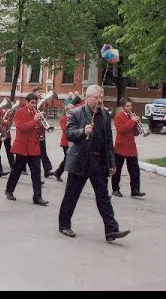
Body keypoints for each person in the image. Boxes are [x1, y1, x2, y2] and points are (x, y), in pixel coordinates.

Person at [58, 84, 131, 241]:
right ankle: (64, 225)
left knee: (103, 196)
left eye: (101, 98)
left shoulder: (104, 114)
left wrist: (112, 162)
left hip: (99, 161)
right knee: (72, 194)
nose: (100, 100)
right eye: (97, 97)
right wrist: (82, 132)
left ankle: (111, 230)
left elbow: (108, 141)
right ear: (88, 97)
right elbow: (69, 133)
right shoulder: (76, 113)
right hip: (81, 160)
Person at [5, 93, 49, 206]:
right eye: (32, 103)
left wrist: (43, 125)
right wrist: (34, 121)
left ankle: (37, 197)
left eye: (35, 103)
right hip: (23, 147)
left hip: (34, 147)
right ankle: (9, 191)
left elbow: (38, 130)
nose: (34, 105)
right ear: (26, 102)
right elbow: (21, 128)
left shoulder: (36, 113)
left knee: (36, 173)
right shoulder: (20, 112)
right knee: (16, 171)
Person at [111, 97, 146, 198]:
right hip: (120, 147)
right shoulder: (118, 117)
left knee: (135, 170)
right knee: (117, 170)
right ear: (122, 107)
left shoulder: (132, 116)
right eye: (127, 106)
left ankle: (135, 190)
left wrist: (137, 127)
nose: (130, 108)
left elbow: (134, 133)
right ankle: (115, 189)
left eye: (131, 106)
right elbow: (122, 130)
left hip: (131, 148)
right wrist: (132, 121)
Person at [53, 104, 74, 182]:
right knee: (67, 158)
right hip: (65, 142)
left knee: (68, 159)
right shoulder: (63, 119)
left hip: (72, 141)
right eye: (72, 109)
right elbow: (64, 129)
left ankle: (58, 173)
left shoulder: (74, 117)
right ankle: (58, 173)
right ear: (67, 110)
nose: (74, 110)